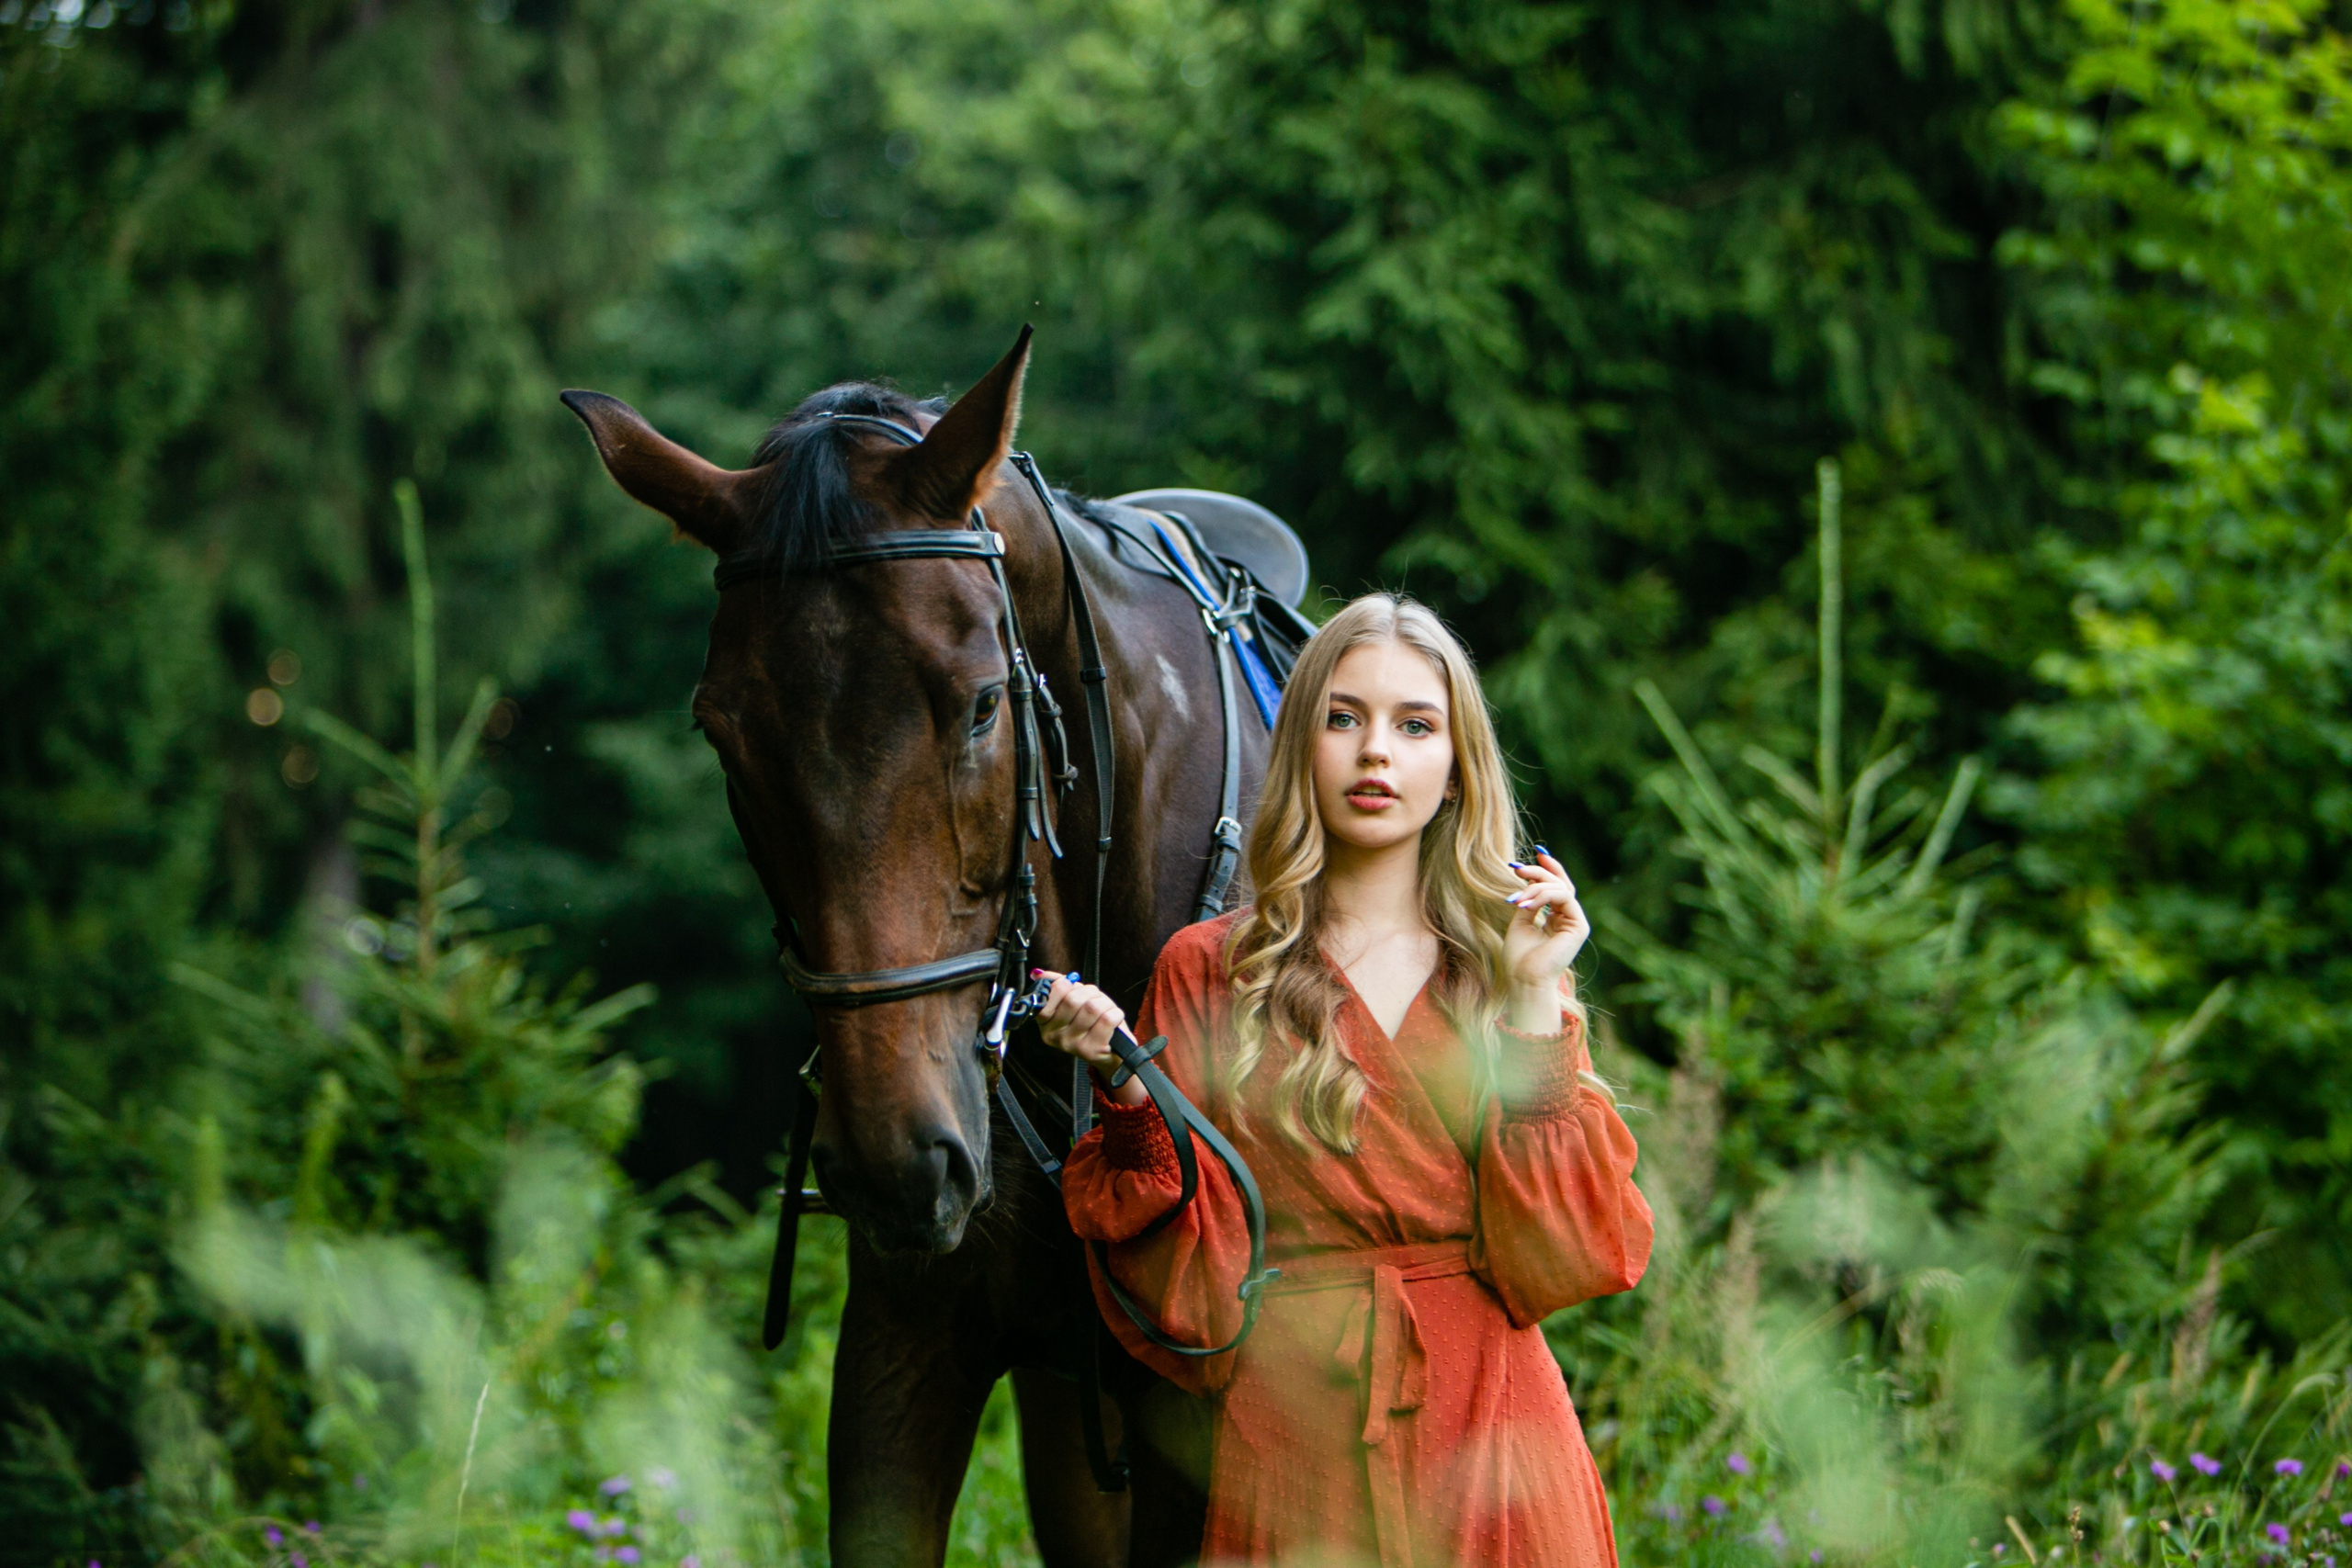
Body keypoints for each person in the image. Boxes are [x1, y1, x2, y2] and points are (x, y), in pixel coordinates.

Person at [1034, 592, 1655, 1568]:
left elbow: (1564, 1256)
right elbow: (1193, 1288)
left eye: (1415, 725)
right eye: (1343, 717)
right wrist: (1128, 1085)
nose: (1376, 752)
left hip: (1496, 1442)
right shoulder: (1207, 967)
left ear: (1454, 770)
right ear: (1301, 749)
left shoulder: (1503, 964)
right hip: (1295, 1436)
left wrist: (1538, 1000)